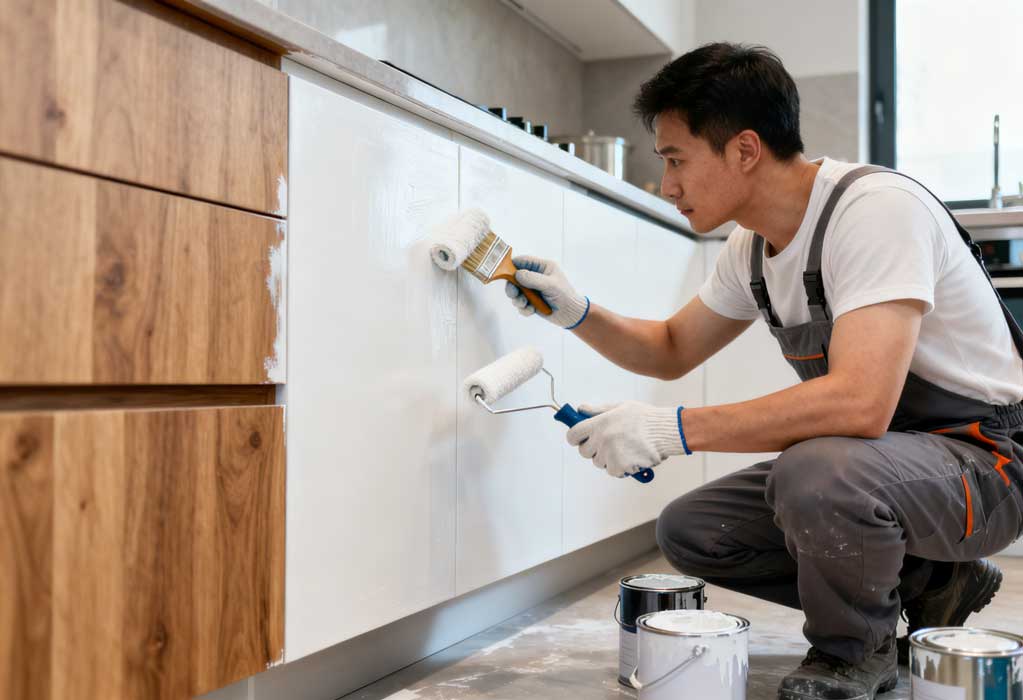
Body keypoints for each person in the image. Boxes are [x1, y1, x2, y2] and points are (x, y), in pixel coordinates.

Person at [505, 42, 1023, 700]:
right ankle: (935, 581)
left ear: (744, 149)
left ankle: (852, 654)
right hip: (883, 464)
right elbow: (670, 347)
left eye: (675, 159)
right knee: (695, 532)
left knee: (816, 471)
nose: (667, 185)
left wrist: (669, 430)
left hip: (986, 462)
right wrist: (576, 311)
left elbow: (860, 404)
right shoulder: (751, 247)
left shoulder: (874, 211)